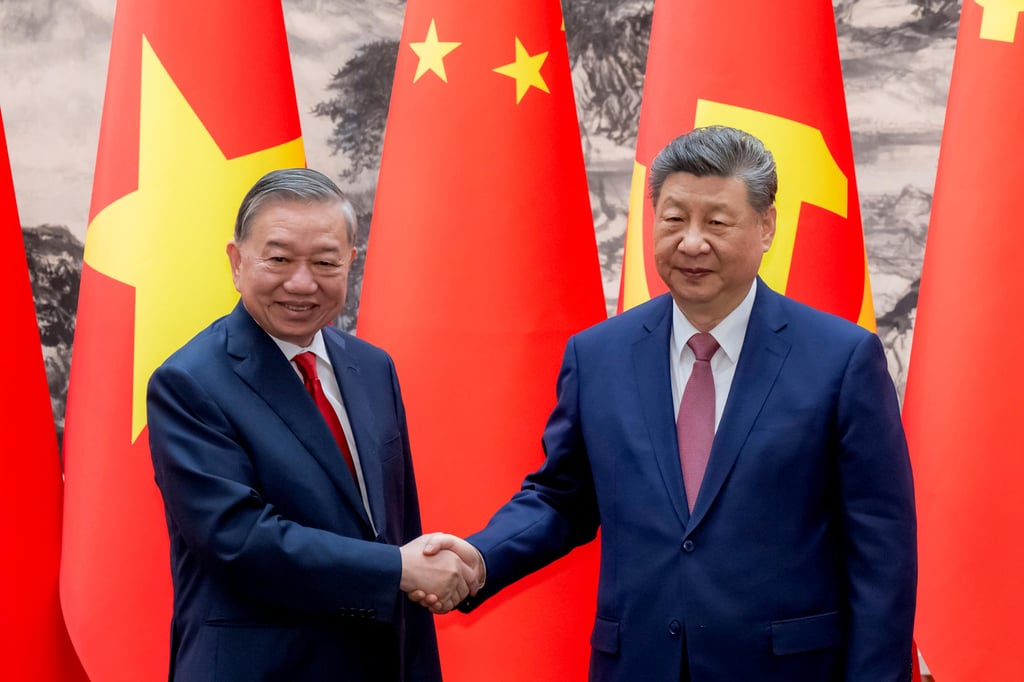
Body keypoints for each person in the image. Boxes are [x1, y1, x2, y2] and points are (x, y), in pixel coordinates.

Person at [422, 126, 917, 681]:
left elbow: (882, 552)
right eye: (674, 219)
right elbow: (562, 498)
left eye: (717, 222)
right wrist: (480, 557)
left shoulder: (841, 359)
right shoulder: (598, 355)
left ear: (767, 226)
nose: (692, 243)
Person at [147, 168, 475, 682]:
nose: (301, 283)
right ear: (237, 262)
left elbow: (397, 526)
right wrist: (398, 569)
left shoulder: (373, 367)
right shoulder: (189, 382)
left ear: (350, 263)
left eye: (324, 262)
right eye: (279, 259)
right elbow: (239, 540)